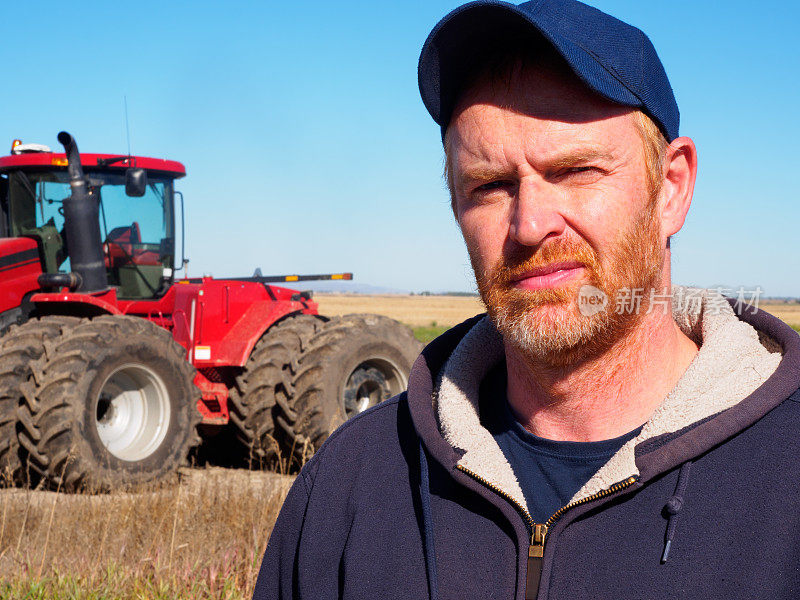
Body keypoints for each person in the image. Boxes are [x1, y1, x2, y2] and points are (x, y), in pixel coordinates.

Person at [253, 1, 800, 599]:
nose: (530, 224)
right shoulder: (353, 485)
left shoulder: (786, 477)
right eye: (490, 186)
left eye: (575, 171)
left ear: (671, 189)